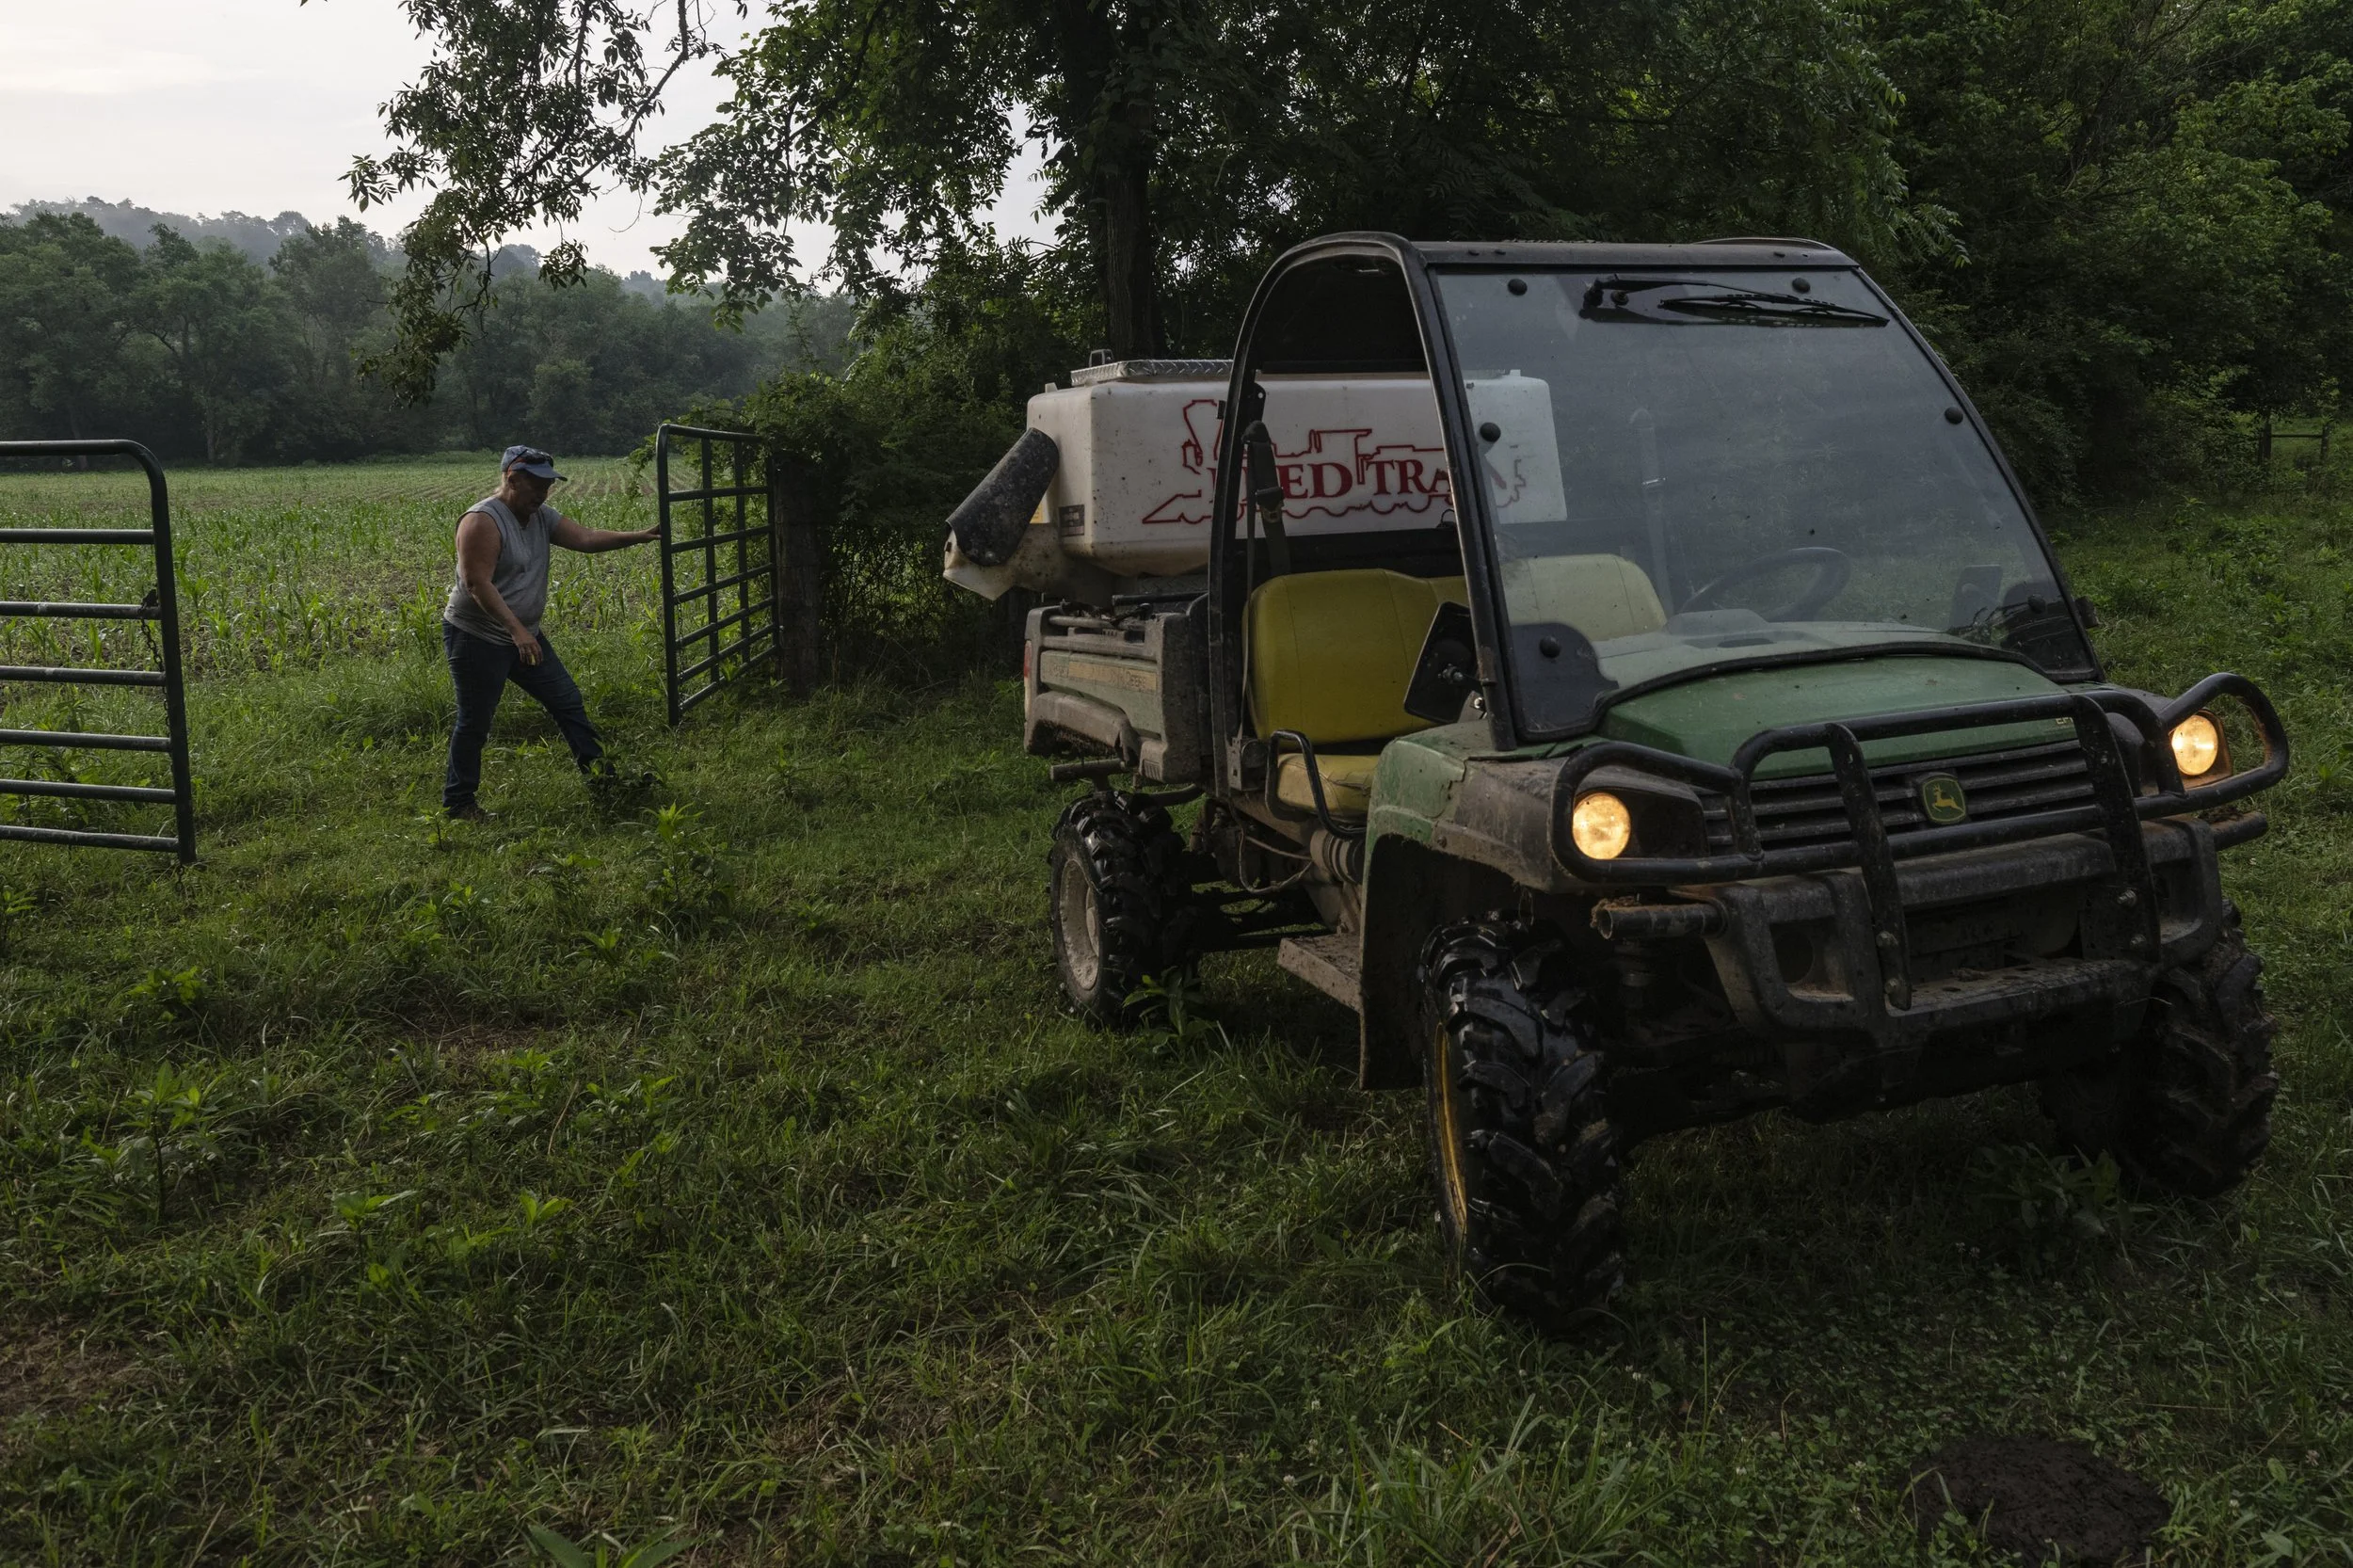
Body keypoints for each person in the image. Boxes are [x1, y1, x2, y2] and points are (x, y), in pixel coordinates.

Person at [441, 445, 661, 820]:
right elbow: (477, 583)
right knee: (475, 721)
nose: (544, 493)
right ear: (512, 479)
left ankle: (605, 784)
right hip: (478, 637)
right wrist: (517, 632)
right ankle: (459, 803)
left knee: (568, 703)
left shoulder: (540, 516)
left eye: (548, 485)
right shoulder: (482, 521)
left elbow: (587, 539)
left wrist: (641, 536)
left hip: (523, 635)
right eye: (537, 485)